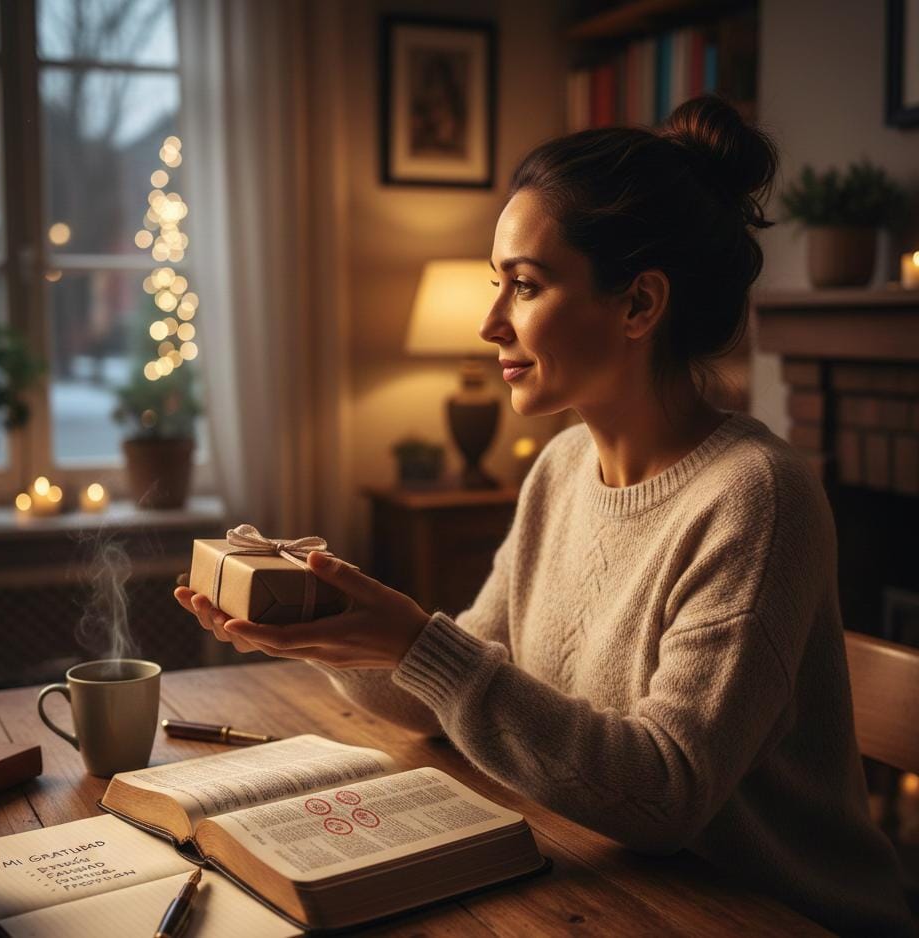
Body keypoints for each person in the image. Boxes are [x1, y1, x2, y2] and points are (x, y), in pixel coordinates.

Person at [175, 94, 915, 936]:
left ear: (639, 305)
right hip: (625, 887)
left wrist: (421, 645)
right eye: (498, 284)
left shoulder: (757, 498)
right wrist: (328, 626)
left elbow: (668, 790)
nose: (490, 323)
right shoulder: (563, 467)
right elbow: (447, 700)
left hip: (775, 915)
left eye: (524, 286)